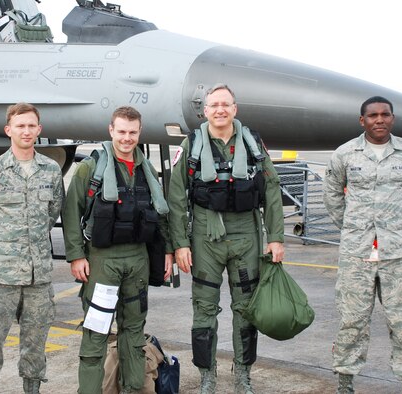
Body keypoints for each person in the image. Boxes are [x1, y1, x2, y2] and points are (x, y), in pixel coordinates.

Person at [168, 83, 285, 393]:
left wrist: (275, 237)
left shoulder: (252, 143)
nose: (220, 110)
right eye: (214, 105)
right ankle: (208, 374)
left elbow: (271, 190)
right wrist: (180, 243)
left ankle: (243, 373)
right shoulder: (191, 143)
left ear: (235, 109)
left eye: (226, 104)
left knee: (246, 308)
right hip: (206, 237)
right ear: (204, 111)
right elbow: (177, 196)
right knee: (204, 309)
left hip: (247, 234)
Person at [62, 106, 173, 394]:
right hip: (102, 262)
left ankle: (134, 389)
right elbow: (72, 211)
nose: (127, 138)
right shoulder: (91, 168)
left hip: (137, 260)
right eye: (121, 131)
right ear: (111, 130)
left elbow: (160, 215)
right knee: (96, 334)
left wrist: (168, 252)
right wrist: (76, 255)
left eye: (132, 132)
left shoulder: (146, 170)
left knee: (134, 335)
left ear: (139, 132)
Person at [323, 96, 402, 394]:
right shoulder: (345, 155)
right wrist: (352, 228)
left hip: (399, 253)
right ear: (362, 120)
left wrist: (399, 224)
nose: (379, 120)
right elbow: (332, 194)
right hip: (357, 253)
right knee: (351, 320)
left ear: (392, 118)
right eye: (373, 115)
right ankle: (345, 382)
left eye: (385, 115)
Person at [0, 103, 63, 394]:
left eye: (31, 125)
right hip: (0, 278)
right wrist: (1, 249)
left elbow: (51, 214)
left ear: (39, 130)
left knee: (35, 349)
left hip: (38, 278)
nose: (26, 131)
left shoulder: (50, 171)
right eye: (20, 126)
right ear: (9, 130)